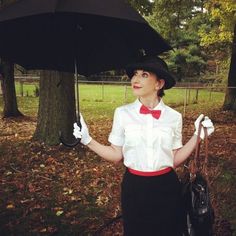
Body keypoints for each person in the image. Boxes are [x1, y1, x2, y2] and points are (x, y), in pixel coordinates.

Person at [73, 56, 214, 236]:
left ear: (159, 84)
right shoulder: (122, 113)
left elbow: (174, 159)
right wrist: (87, 140)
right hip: (134, 187)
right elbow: (116, 155)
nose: (135, 79)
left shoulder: (174, 117)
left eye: (144, 75)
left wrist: (197, 137)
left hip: (167, 187)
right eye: (135, 74)